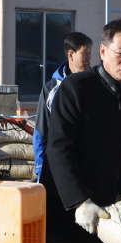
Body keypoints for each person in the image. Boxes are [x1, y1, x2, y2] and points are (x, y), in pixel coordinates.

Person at [39, 19, 121, 243]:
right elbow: (58, 148)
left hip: (101, 213)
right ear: (103, 51)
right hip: (62, 208)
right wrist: (79, 201)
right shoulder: (76, 88)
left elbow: (119, 155)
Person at [32, 31, 93, 182]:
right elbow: (41, 131)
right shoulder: (51, 88)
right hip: (59, 164)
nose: (88, 59)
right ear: (71, 55)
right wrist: (40, 167)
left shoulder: (95, 84)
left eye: (90, 53)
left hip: (89, 165)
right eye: (85, 53)